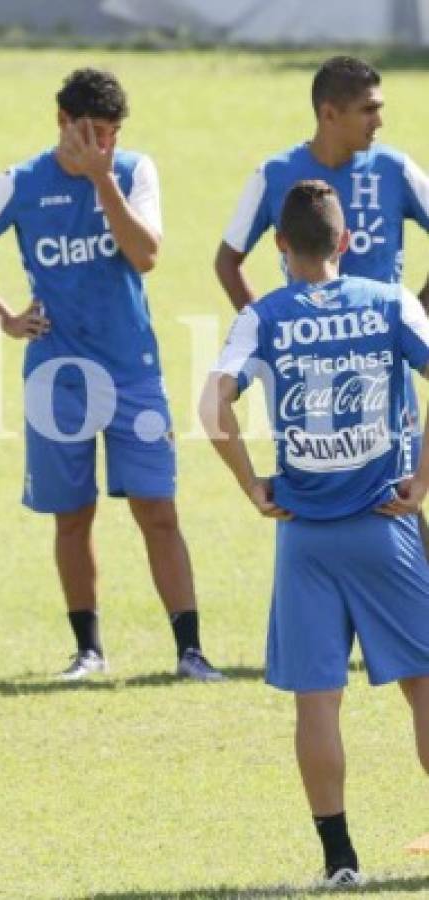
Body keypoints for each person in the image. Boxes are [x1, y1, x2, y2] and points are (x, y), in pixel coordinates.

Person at [0, 68, 223, 681]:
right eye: (92, 133)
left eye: (113, 134)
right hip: (57, 379)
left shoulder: (133, 172)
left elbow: (146, 255)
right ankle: (89, 651)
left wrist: (103, 182)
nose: (104, 145)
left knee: (159, 510)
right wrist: (4, 318)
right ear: (62, 124)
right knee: (72, 515)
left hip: (132, 373)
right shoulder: (19, 182)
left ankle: (190, 651)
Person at [202, 179, 429, 888]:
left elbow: (213, 407)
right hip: (384, 525)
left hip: (303, 535)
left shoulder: (261, 315)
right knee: (422, 689)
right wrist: (421, 481)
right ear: (345, 241)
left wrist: (250, 485)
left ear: (277, 245)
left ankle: (338, 861)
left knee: (316, 701)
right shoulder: (388, 301)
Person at [215, 54, 429, 549]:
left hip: (383, 372)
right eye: (368, 109)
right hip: (309, 376)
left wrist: (418, 310)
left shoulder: (394, 169)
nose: (380, 121)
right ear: (329, 114)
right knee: (313, 496)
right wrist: (270, 340)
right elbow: (228, 261)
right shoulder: (274, 174)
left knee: (400, 500)